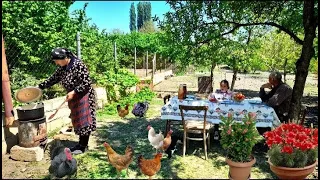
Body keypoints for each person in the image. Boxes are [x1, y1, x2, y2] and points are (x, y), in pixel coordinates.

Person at [38, 47, 96, 155]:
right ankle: (80, 144)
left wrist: (74, 91)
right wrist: (39, 87)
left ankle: (82, 146)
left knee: (84, 121)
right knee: (77, 120)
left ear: (64, 58)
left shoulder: (78, 65)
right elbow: (53, 79)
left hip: (84, 95)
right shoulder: (63, 67)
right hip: (74, 97)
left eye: (56, 61)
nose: (55, 63)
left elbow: (87, 82)